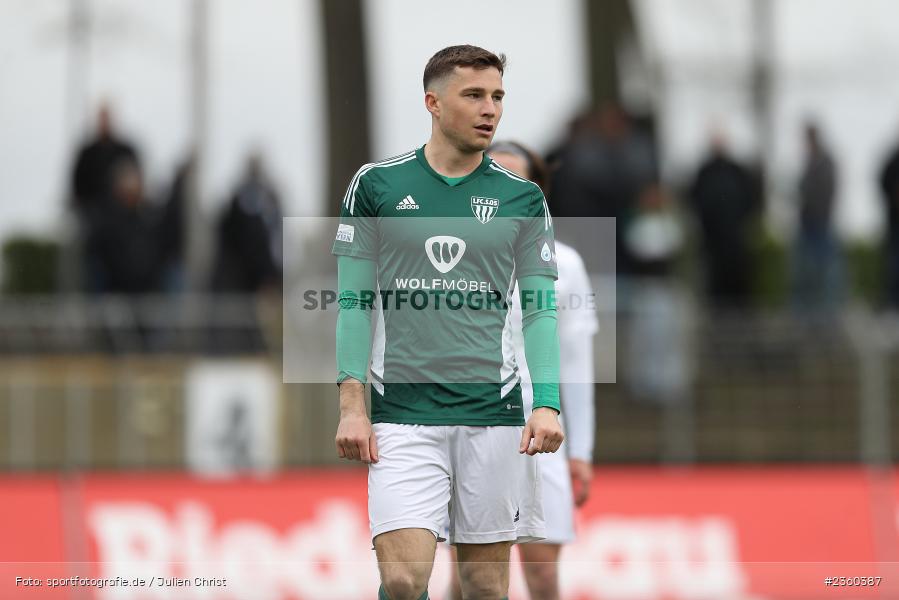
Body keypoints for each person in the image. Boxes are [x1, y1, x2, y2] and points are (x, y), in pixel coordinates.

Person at [331, 45, 564, 600]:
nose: (491, 109)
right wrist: (350, 403)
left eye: (498, 96)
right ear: (433, 103)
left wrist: (548, 401)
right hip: (402, 418)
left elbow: (540, 309)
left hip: (494, 415)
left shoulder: (524, 199)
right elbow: (351, 302)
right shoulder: (377, 186)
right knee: (404, 578)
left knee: (484, 584)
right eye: (475, 95)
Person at [444, 141, 597, 600]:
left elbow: (575, 359)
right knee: (469, 574)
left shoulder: (565, 264)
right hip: (467, 422)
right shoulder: (449, 255)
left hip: (539, 426)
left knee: (543, 571)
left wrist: (582, 450)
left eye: (518, 179)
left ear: (536, 189)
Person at [689, 130, 760, 309]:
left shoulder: (737, 172)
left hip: (737, 245)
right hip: (713, 246)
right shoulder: (705, 173)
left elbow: (751, 201)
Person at [793, 121, 841, 314]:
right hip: (808, 223)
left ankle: (826, 315)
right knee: (805, 273)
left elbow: (822, 192)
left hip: (819, 223)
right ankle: (807, 314)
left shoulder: (824, 161)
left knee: (823, 272)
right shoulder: (811, 161)